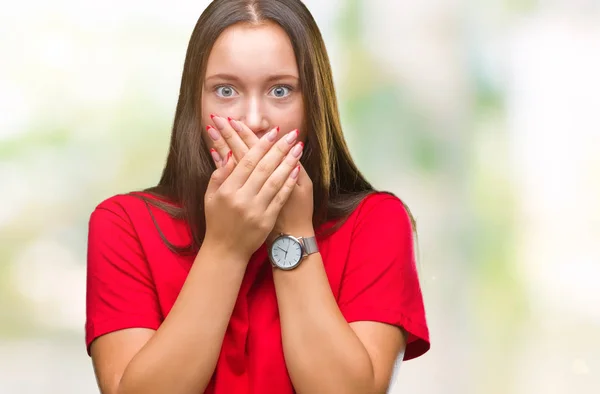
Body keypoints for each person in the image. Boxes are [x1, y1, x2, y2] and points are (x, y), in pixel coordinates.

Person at [85, 0, 430, 393]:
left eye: (280, 90)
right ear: (194, 103)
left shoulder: (377, 221)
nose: (253, 119)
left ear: (313, 102)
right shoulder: (123, 224)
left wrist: (292, 231)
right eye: (226, 90)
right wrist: (226, 248)